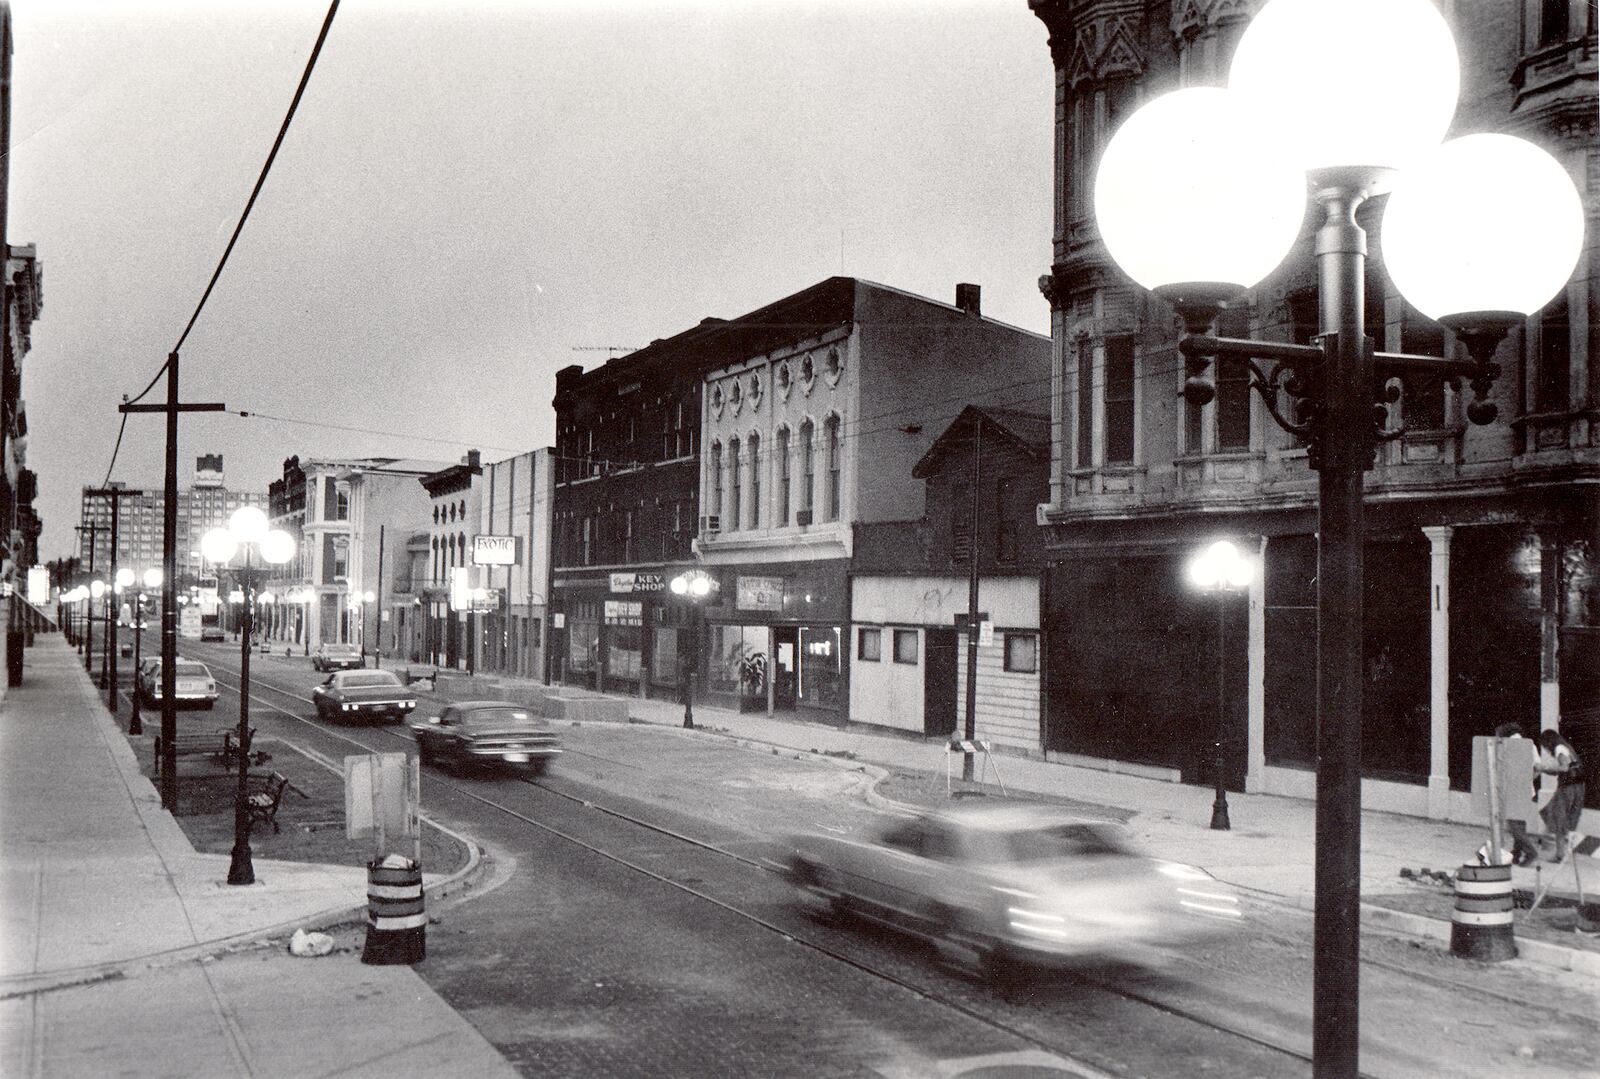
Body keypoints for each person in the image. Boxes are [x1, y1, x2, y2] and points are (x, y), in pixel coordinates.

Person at [1494, 723, 1541, 867]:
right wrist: (1529, 779)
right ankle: (1516, 853)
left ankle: (1530, 851)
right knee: (1519, 823)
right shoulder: (1530, 745)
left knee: (1513, 825)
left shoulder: (1507, 746)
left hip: (1512, 789)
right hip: (1527, 789)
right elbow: (1538, 767)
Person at [1536, 729, 1586, 863]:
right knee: (1564, 818)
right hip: (1578, 786)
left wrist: (1543, 767)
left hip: (1568, 787)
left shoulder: (1559, 748)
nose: (1545, 749)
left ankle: (1558, 853)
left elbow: (1564, 768)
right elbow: (1567, 768)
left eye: (1545, 745)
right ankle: (1558, 848)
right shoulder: (1566, 748)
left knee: (1558, 817)